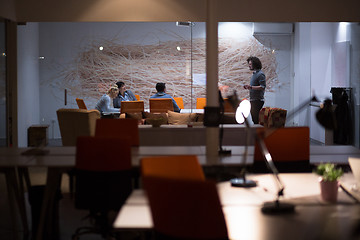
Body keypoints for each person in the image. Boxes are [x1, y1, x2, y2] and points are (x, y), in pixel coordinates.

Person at [243, 56, 266, 124]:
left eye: (250, 64)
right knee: (254, 118)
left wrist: (251, 87)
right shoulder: (254, 74)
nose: (249, 66)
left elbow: (262, 87)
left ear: (255, 64)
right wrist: (248, 87)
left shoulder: (260, 74)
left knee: (256, 119)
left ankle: (257, 133)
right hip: (253, 99)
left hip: (257, 100)